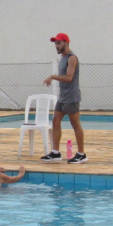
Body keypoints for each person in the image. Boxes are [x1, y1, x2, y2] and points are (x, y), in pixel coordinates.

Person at [42, 33, 87, 164]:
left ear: (66, 43)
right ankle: (55, 153)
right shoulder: (62, 57)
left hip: (72, 97)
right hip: (62, 97)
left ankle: (81, 154)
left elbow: (69, 78)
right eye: (55, 43)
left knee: (75, 124)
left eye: (59, 43)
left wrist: (53, 77)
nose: (56, 46)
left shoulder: (72, 58)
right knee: (55, 122)